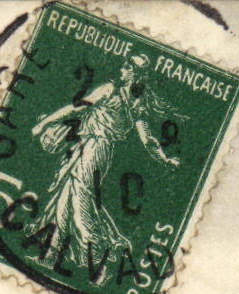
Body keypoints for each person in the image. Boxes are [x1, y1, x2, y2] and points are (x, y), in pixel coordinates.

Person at [28, 53, 180, 281]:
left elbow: (75, 108)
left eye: (127, 66)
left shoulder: (110, 89)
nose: (122, 68)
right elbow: (148, 140)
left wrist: (44, 123)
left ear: (134, 74)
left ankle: (99, 264)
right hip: (94, 150)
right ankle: (51, 255)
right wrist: (164, 159)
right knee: (65, 200)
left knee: (81, 206)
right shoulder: (137, 105)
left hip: (93, 149)